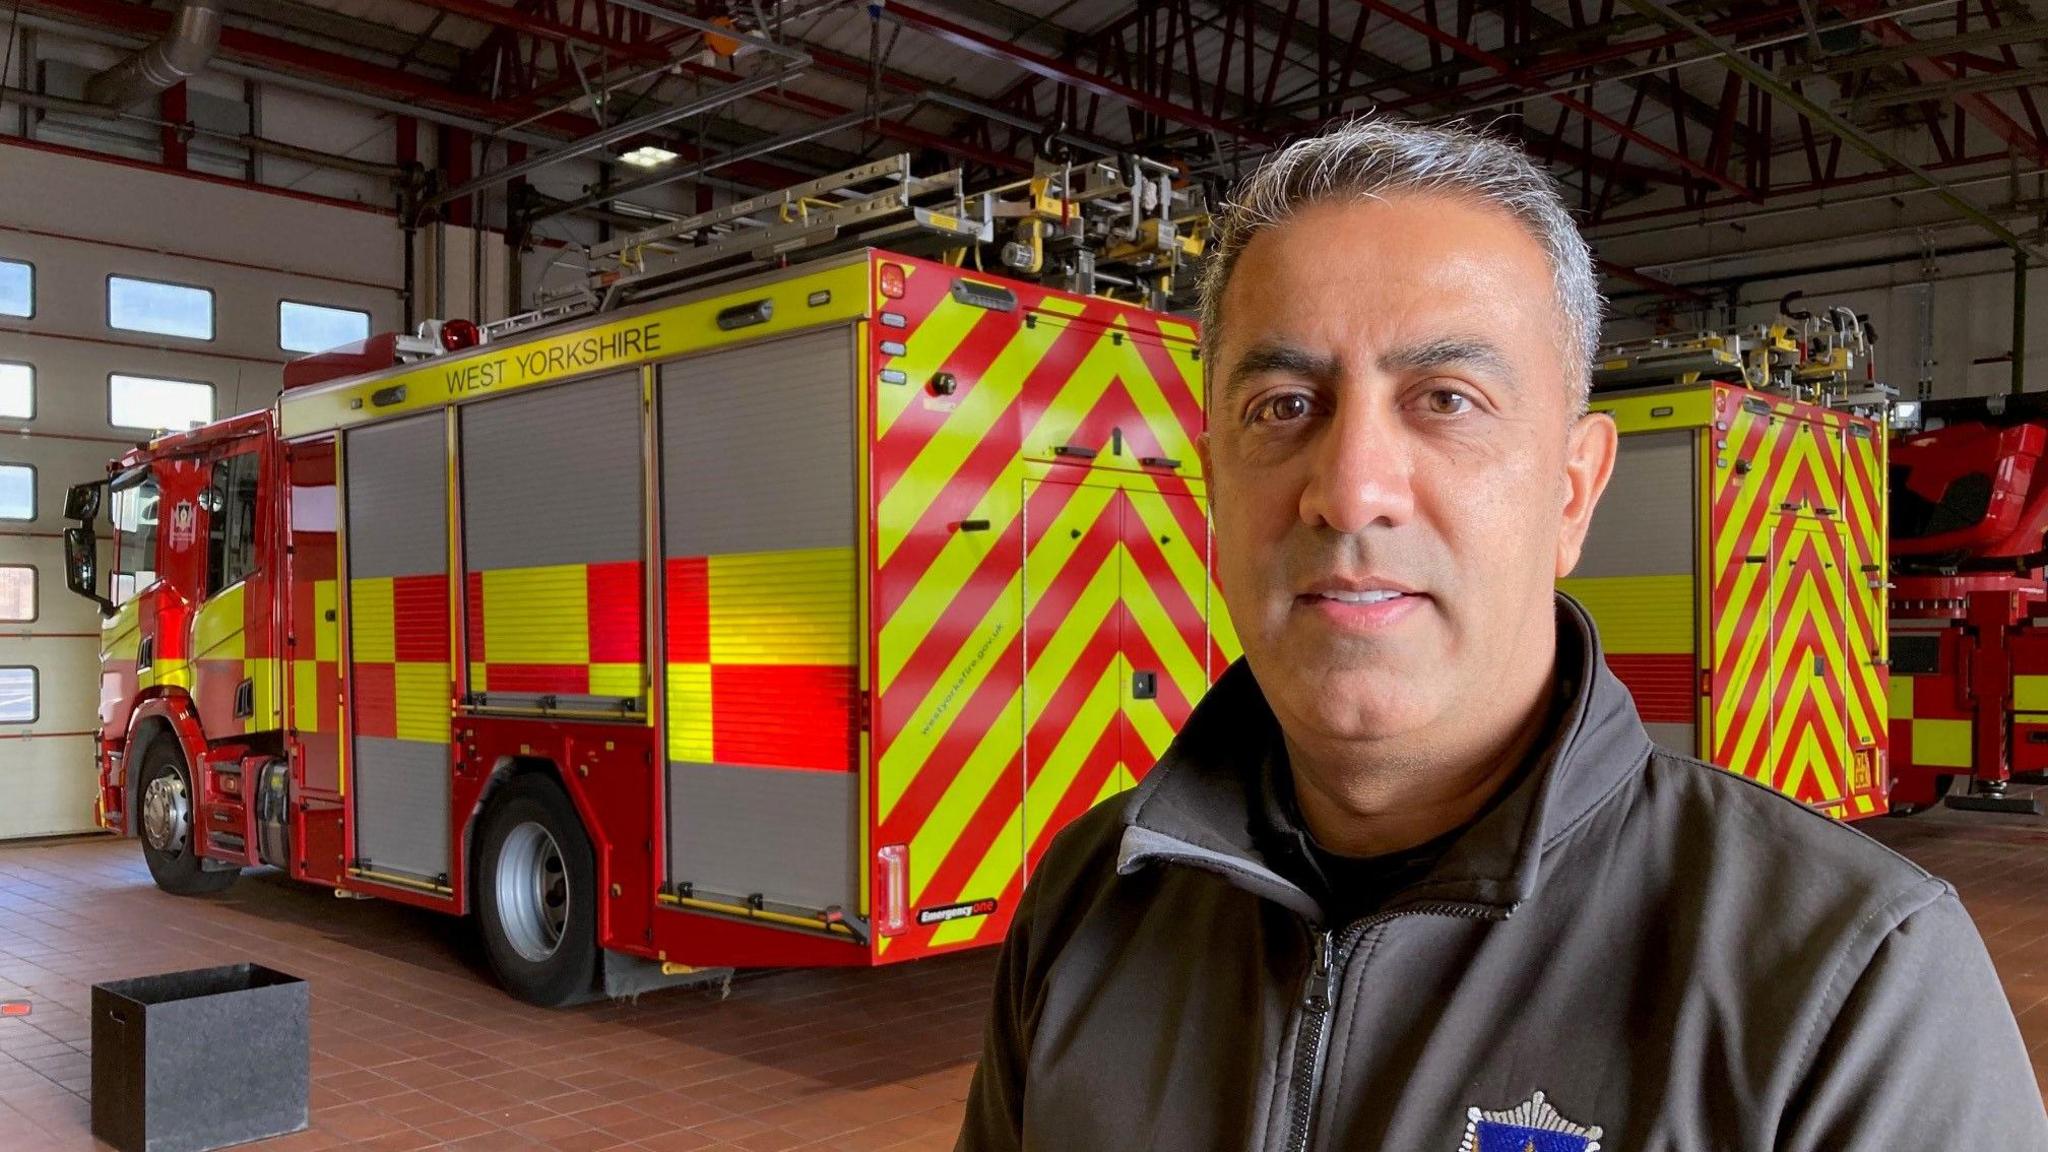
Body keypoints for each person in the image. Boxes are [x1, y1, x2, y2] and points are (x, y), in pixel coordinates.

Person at [955, 117, 2048, 1152]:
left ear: (1572, 492)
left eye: (1444, 399)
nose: (1349, 491)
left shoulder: (1852, 985)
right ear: (1210, 484)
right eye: (1284, 406)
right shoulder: (1088, 903)